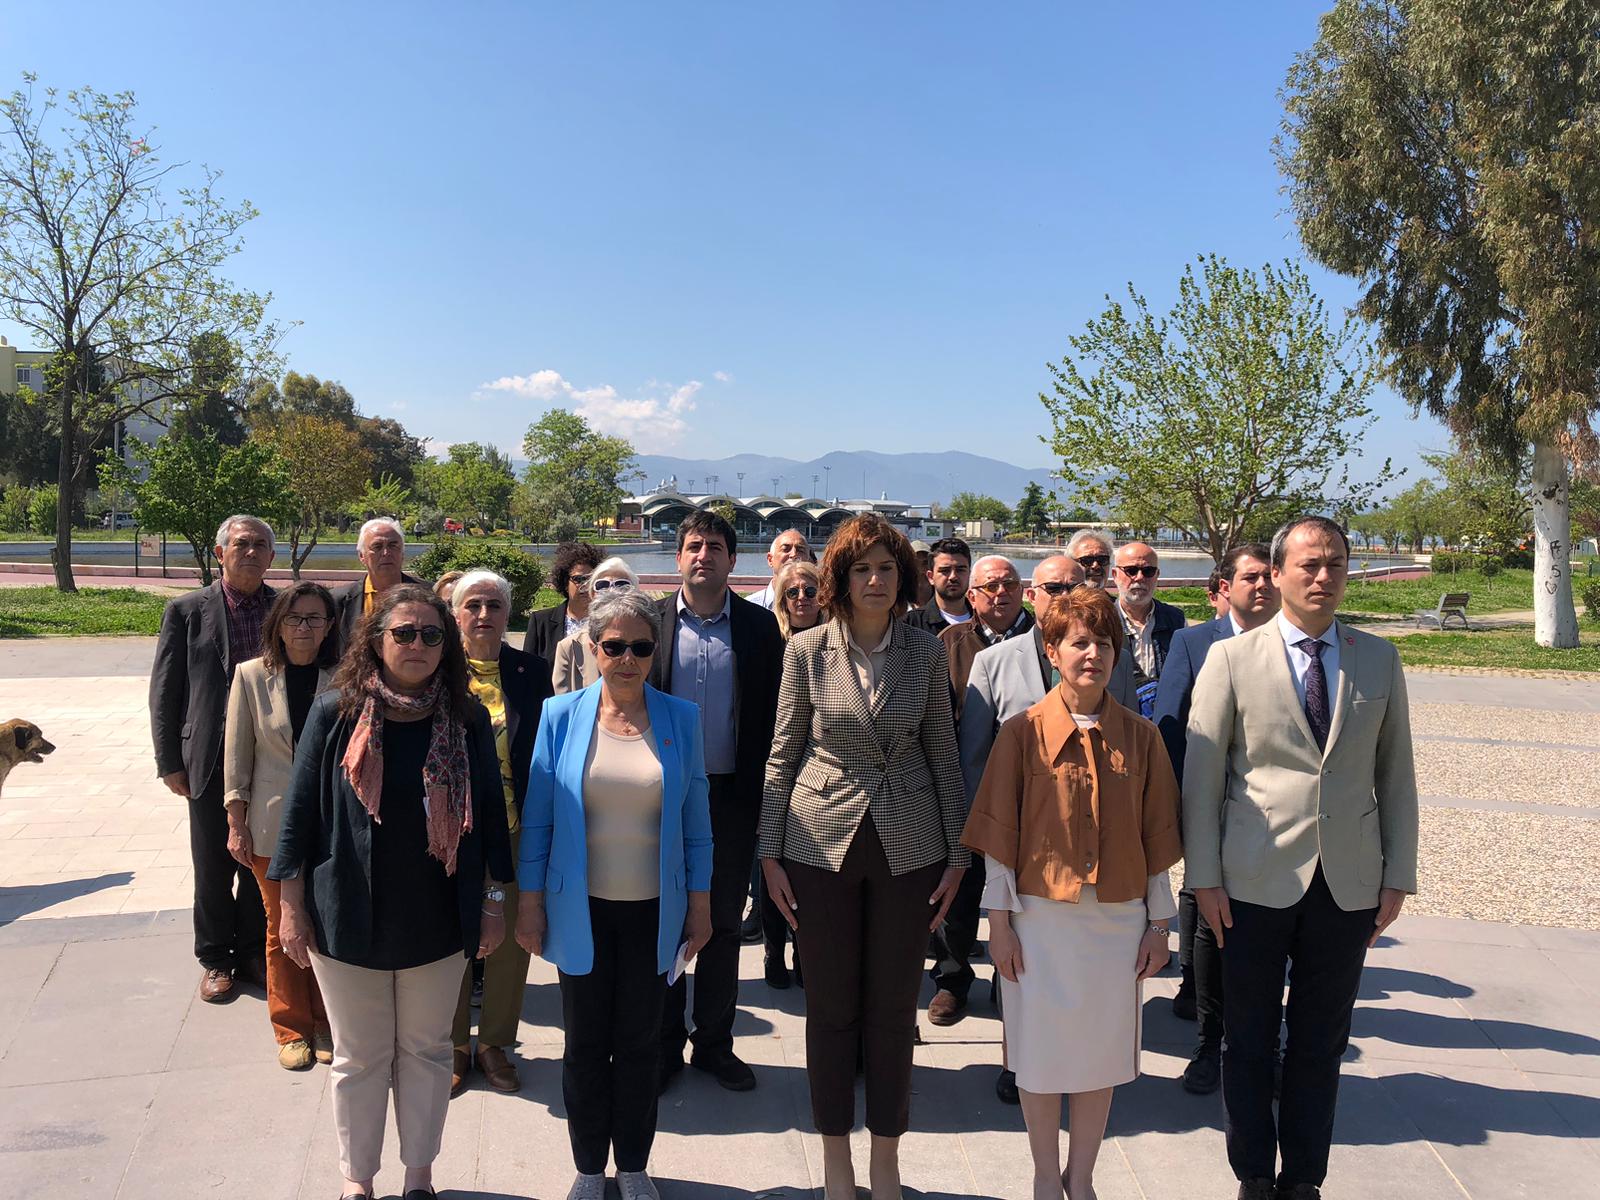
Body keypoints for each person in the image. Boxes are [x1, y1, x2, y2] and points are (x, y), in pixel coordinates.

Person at [1184, 517, 1418, 1200]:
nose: (1324, 577)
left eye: (1337, 564)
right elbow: (1202, 783)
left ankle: (1304, 1179)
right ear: (1277, 573)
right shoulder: (1231, 659)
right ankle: (1255, 1174)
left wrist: (1397, 874)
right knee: (1249, 1040)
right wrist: (1204, 879)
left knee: (1321, 1044)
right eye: (1310, 564)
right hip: (1252, 881)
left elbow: (1395, 775)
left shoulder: (1378, 658)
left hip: (1347, 885)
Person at [270, 584, 515, 1200]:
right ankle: (358, 1180)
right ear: (375, 641)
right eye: (403, 632)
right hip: (347, 916)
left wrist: (491, 905)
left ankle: (420, 1177)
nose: (417, 645)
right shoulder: (335, 712)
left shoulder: (467, 717)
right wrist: (291, 910)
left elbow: (488, 816)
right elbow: (298, 818)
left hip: (438, 919)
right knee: (359, 1056)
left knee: (428, 1053)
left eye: (431, 634)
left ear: (446, 645)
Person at [760, 512, 969, 1200]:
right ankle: (835, 1166)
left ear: (903, 577)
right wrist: (769, 853)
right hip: (819, 844)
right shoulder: (806, 650)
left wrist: (958, 856)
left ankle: (885, 1160)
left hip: (910, 849)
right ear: (839, 580)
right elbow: (784, 753)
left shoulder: (925, 651)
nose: (874, 579)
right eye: (861, 569)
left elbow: (942, 752)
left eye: (885, 567)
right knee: (830, 1011)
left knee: (889, 1012)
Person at [963, 586, 1182, 1200]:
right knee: (1038, 1055)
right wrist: (998, 923)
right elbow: (999, 838)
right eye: (1079, 643)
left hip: (1116, 923)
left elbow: (1157, 841)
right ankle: (1042, 1175)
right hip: (1038, 921)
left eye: (1104, 643)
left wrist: (1160, 926)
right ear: (1052, 651)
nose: (1093, 654)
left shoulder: (1141, 738)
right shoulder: (1020, 733)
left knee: (1099, 1057)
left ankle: (1080, 1178)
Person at [515, 589, 714, 1200]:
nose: (627, 658)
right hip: (581, 910)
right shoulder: (560, 715)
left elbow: (697, 819)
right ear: (593, 648)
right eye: (614, 646)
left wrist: (702, 906)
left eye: (641, 647)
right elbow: (540, 817)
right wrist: (529, 901)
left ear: (655, 651)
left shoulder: (681, 717)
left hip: (656, 910)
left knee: (639, 1044)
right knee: (584, 1043)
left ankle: (632, 1164)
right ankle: (585, 1166)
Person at [648, 510, 784, 1092]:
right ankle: (660, 1047)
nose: (704, 555)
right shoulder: (650, 623)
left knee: (723, 923)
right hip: (660, 797)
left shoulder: (759, 629)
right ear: (678, 558)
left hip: (731, 797)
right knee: (664, 921)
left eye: (716, 547)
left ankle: (714, 1043)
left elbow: (777, 716)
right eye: (694, 545)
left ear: (734, 560)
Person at [955, 552, 1084, 1102]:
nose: (1063, 597)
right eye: (1052, 587)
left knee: (1072, 951)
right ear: (1035, 593)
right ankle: (1018, 1059)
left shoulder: (1105, 656)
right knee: (1015, 945)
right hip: (1016, 832)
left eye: (1074, 586)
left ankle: (1074, 1056)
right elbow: (973, 756)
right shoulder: (994, 662)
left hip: (1086, 835)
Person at [1152, 543, 1278, 1094]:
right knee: (1208, 925)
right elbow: (1171, 726)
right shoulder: (1191, 641)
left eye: (1269, 576)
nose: (1263, 587)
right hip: (1211, 808)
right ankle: (1210, 1041)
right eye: (1250, 577)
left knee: (1269, 935)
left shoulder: (1298, 649)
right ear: (1224, 586)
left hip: (1272, 820)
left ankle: (1265, 1045)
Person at [149, 514, 278, 1003]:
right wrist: (169, 761)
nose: (250, 552)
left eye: (260, 545)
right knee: (213, 864)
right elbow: (165, 692)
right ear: (221, 552)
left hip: (270, 758)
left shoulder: (284, 609)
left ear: (272, 556)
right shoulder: (187, 610)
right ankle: (216, 959)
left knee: (259, 862)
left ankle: (249, 953)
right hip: (208, 757)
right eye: (241, 544)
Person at [223, 581, 339, 1067]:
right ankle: (291, 1027)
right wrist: (236, 820)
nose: (304, 628)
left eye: (315, 618)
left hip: (331, 823)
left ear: (330, 625)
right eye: (294, 618)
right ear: (278, 624)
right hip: (271, 824)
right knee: (281, 927)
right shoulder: (251, 676)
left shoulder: (345, 677)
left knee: (328, 927)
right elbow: (237, 754)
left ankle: (329, 1022)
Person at [448, 570, 553, 1096]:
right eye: (473, 604)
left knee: (511, 939)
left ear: (508, 614)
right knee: (454, 937)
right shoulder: (435, 668)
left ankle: (494, 1044)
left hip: (516, 825)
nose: (484, 614)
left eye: (493, 604)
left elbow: (549, 747)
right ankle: (452, 1045)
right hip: (451, 832)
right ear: (455, 613)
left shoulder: (531, 671)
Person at [926, 554, 1032, 1030]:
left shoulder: (1044, 644)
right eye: (990, 587)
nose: (1000, 593)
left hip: (1032, 798)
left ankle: (1013, 978)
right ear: (972, 596)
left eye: (1009, 584)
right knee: (960, 894)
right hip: (964, 788)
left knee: (1024, 898)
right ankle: (952, 980)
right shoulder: (948, 645)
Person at [754, 557, 825, 986]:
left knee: (807, 870)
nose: (801, 599)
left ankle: (805, 952)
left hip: (816, 771)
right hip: (774, 765)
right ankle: (772, 951)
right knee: (770, 863)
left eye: (810, 591)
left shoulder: (835, 640)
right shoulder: (769, 641)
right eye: (792, 593)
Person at [333, 518, 426, 655]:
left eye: (393, 546)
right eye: (377, 547)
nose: (386, 553)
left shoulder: (428, 595)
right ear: (361, 556)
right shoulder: (337, 601)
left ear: (403, 553)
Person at [553, 557, 639, 693]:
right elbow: (563, 706)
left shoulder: (647, 645)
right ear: (592, 594)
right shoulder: (568, 647)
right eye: (602, 585)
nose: (612, 591)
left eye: (622, 585)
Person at [1110, 541, 1186, 694]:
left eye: (1148, 571)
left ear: (1157, 575)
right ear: (1115, 575)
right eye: (1131, 570)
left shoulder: (1176, 621)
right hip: (1116, 712)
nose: (1139, 578)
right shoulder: (1103, 621)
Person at [527, 541, 602, 664]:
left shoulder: (606, 622)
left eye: (591, 579)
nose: (585, 585)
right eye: (578, 579)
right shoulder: (540, 622)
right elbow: (528, 668)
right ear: (565, 583)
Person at [904, 536, 972, 632]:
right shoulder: (909, 624)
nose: (953, 576)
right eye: (945, 570)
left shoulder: (987, 620)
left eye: (960, 570)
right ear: (931, 576)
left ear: (969, 573)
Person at [748, 529, 816, 609]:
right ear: (770, 559)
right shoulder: (749, 607)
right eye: (785, 549)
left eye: (800, 550)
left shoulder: (821, 608)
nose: (793, 554)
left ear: (809, 560)